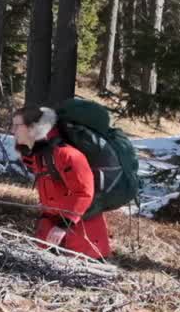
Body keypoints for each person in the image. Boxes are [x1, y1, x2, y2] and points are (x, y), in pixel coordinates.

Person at [12, 106, 112, 259]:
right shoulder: (39, 155)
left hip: (84, 242)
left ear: (33, 127)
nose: (13, 130)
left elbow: (84, 192)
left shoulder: (67, 154)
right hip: (53, 234)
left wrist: (64, 225)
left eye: (17, 125)